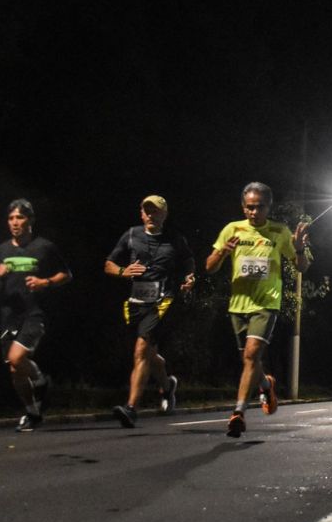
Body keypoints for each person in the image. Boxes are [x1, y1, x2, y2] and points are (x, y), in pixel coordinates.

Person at [206, 182, 310, 438]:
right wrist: (221, 253)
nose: (254, 212)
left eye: (259, 207)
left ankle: (238, 412)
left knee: (251, 356)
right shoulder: (232, 229)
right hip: (238, 305)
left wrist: (298, 248)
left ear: (268, 206)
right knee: (249, 360)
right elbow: (209, 267)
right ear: (243, 207)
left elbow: (301, 268)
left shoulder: (279, 231)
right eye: (249, 207)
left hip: (266, 304)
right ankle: (266, 384)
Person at [105, 195, 196, 428]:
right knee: (149, 354)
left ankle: (131, 408)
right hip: (136, 301)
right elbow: (109, 264)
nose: (150, 215)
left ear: (164, 214)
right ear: (141, 213)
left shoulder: (175, 239)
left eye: (155, 211)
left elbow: (188, 262)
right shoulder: (132, 234)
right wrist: (123, 271)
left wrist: (189, 279)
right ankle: (168, 386)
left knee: (141, 349)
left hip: (163, 301)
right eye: (146, 211)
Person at [0, 199, 72, 431]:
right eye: (11, 218)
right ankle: (32, 411)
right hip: (9, 316)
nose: (15, 222)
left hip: (35, 313)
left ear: (30, 220)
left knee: (17, 358)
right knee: (15, 368)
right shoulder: (2, 250)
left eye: (20, 218)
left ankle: (40, 380)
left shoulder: (44, 247)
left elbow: (66, 274)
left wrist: (45, 282)